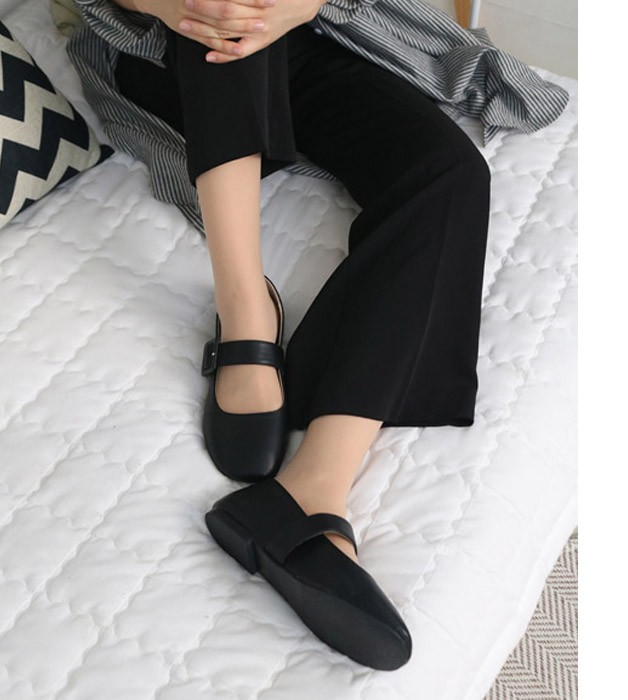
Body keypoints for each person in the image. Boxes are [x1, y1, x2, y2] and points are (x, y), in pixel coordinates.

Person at [77, 0, 493, 670]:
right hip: (171, 51)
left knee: (449, 172)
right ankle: (247, 310)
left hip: (310, 35)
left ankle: (312, 487)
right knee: (224, 13)